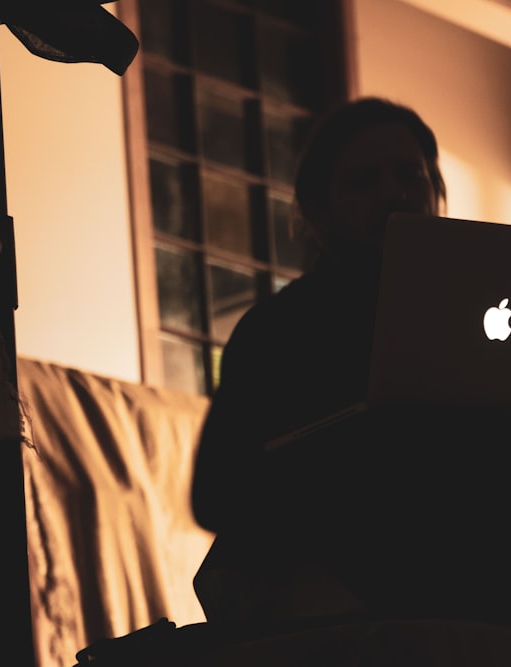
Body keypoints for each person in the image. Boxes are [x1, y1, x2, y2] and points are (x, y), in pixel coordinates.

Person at [189, 97, 447, 621]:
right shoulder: (277, 330)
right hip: (334, 599)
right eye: (363, 180)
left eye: (409, 174)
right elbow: (215, 494)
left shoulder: (475, 305)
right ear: (318, 209)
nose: (393, 194)